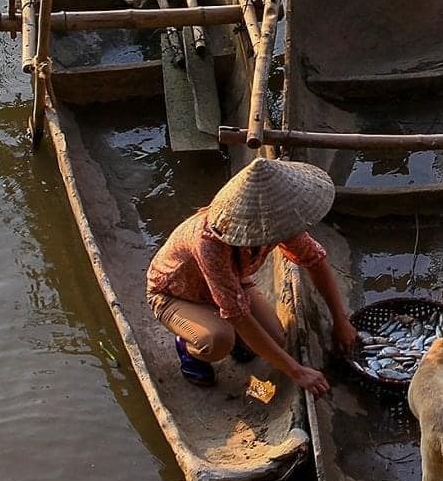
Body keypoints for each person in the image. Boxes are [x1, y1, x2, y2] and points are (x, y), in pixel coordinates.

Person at [145, 156, 359, 392]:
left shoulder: (279, 221)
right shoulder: (209, 242)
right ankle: (189, 350)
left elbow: (315, 261)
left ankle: (234, 334)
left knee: (277, 338)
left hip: (234, 283)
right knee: (217, 341)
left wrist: (341, 321)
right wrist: (296, 372)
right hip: (176, 294)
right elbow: (237, 314)